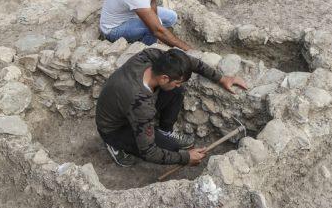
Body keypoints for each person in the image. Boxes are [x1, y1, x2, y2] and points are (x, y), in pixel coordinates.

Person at [95, 47, 248, 166]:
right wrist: (185, 158)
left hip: (123, 106)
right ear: (164, 78)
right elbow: (149, 152)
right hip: (114, 128)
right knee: (169, 148)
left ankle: (164, 130)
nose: (179, 84)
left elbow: (189, 63)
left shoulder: (151, 56)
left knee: (176, 91)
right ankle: (113, 144)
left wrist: (221, 78)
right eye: (177, 81)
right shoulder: (141, 104)